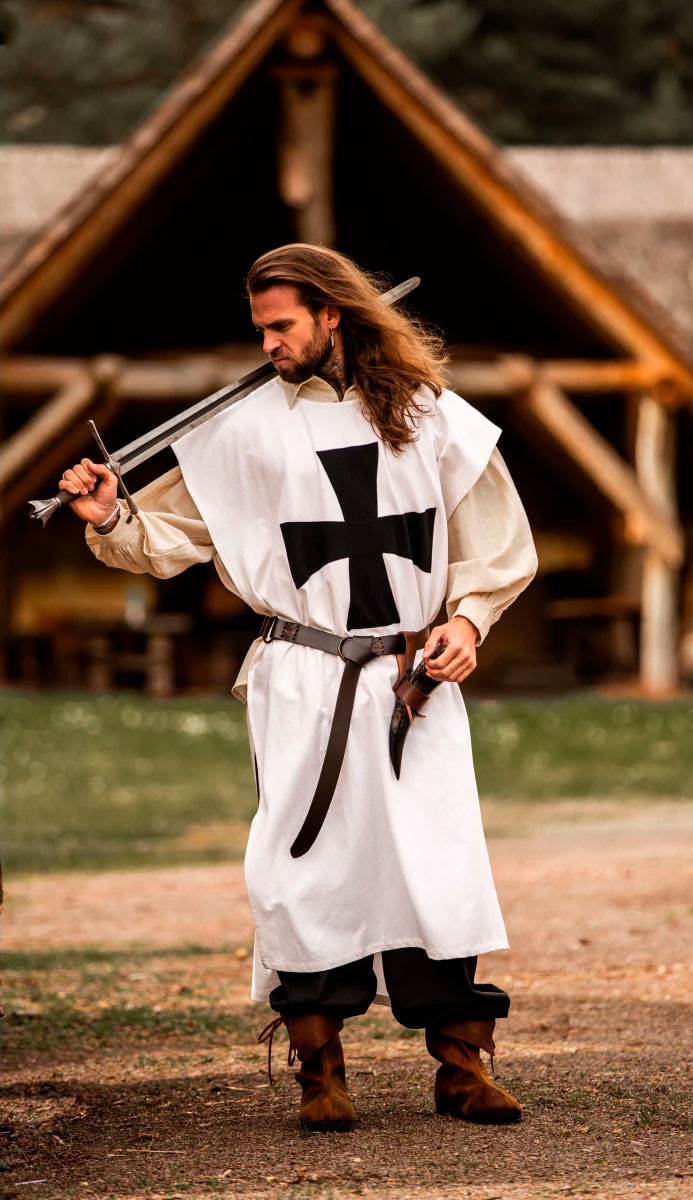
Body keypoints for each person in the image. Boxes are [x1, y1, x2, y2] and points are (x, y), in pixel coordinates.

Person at [61, 244, 537, 1131]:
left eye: (282, 325)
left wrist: (465, 623)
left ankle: (461, 1065)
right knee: (303, 866)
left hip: (409, 678)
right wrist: (112, 515)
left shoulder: (430, 417)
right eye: (260, 329)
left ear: (333, 316)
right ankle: (322, 1071)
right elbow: (166, 533)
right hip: (304, 678)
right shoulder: (239, 433)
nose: (268, 344)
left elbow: (496, 541)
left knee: (434, 858)